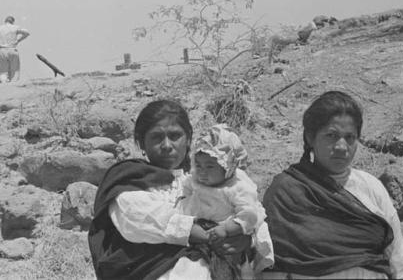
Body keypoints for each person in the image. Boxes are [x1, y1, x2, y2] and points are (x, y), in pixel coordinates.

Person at [88, 100, 272, 280]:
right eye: (156, 137)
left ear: (188, 140)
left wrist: (245, 239)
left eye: (175, 136)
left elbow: (253, 213)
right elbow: (136, 218)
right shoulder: (131, 179)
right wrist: (203, 234)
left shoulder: (204, 181)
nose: (167, 145)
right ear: (142, 143)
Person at [261, 91, 403, 279]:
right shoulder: (286, 191)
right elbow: (270, 263)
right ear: (311, 138)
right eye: (331, 135)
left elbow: (399, 259)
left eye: (350, 137)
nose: (342, 146)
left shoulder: (371, 187)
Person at [178, 124, 273, 278]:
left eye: (210, 167)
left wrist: (227, 229)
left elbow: (249, 215)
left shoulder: (237, 186)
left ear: (227, 167)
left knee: (228, 269)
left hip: (225, 235)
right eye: (199, 165)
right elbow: (185, 192)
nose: (202, 172)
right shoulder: (194, 180)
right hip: (197, 231)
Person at [0, 16, 30, 83]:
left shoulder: (1, 28)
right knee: (14, 71)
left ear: (5, 21)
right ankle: (13, 86)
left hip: (2, 50)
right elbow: (27, 33)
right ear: (12, 21)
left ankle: (4, 86)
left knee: (3, 71)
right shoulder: (15, 27)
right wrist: (18, 40)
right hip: (12, 49)